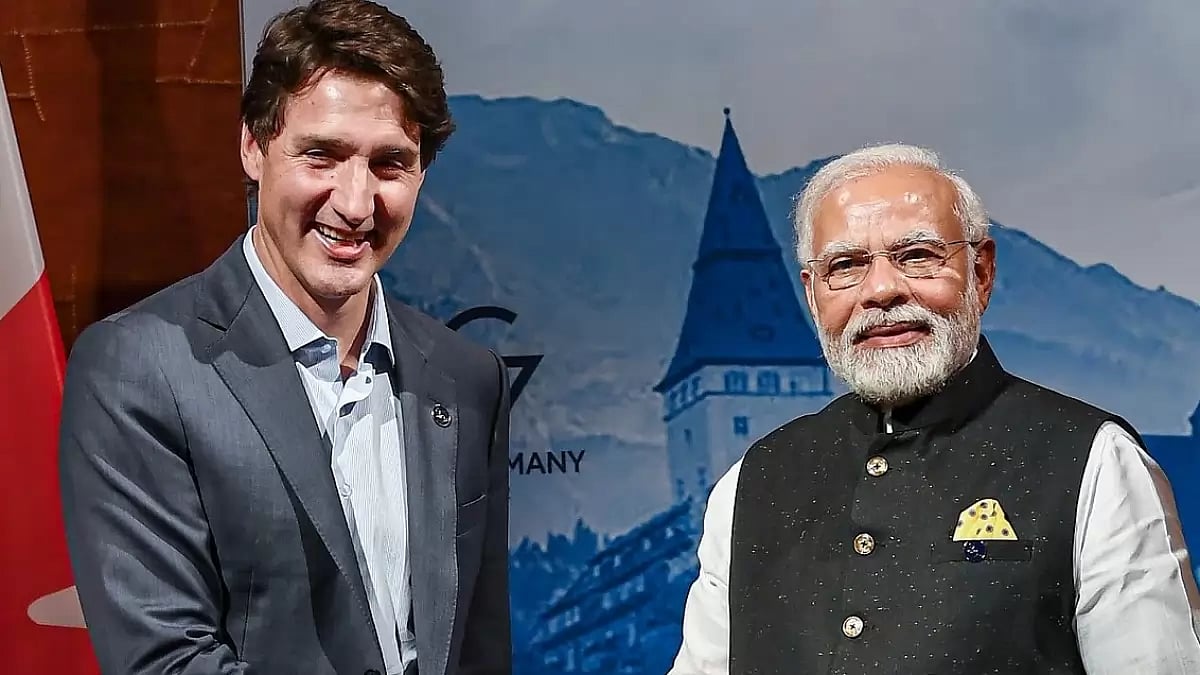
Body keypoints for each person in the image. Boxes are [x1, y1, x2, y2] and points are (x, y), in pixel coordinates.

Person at [57, 1, 511, 673]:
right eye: (322, 155)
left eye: (390, 164)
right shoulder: (136, 369)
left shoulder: (466, 376)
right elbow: (167, 660)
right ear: (253, 146)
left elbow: (477, 650)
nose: (355, 203)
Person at [669, 142, 1200, 674]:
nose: (881, 290)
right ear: (813, 295)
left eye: (917, 256)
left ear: (982, 272)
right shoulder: (749, 484)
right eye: (846, 266)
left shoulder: (1095, 462)